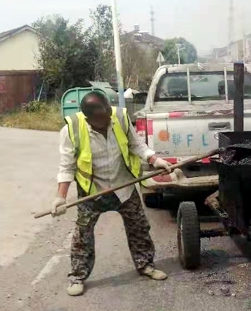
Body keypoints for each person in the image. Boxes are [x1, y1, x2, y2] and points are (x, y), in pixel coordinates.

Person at [51, 91, 173, 296]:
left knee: (139, 226)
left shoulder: (119, 117)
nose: (108, 121)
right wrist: (60, 197)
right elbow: (67, 166)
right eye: (103, 119)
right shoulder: (72, 129)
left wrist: (155, 160)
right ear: (89, 119)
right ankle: (78, 276)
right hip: (92, 192)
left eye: (109, 115)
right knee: (82, 235)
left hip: (123, 185)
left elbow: (136, 144)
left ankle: (145, 265)